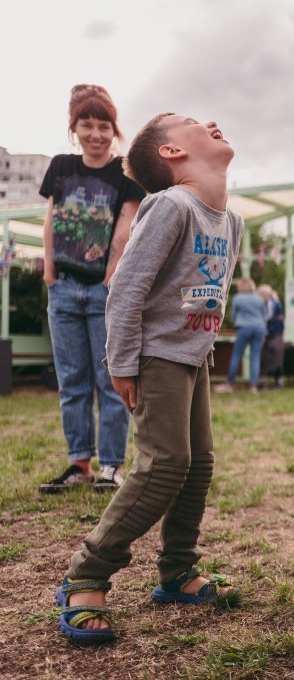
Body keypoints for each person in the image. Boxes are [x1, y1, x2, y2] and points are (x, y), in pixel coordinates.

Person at [54, 112, 244, 643]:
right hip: (157, 356)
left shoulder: (230, 221)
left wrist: (202, 352)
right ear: (171, 153)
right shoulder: (170, 205)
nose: (209, 120)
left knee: (198, 464)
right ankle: (85, 573)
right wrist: (122, 362)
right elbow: (127, 287)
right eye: (188, 121)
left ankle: (178, 571)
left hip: (192, 357)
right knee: (165, 465)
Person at [38, 84, 144, 493]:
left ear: (113, 129)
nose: (95, 133)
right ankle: (79, 463)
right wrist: (49, 272)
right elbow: (50, 218)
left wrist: (111, 275)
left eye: (103, 125)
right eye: (87, 125)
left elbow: (126, 227)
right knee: (72, 381)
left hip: (104, 291)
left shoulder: (125, 172)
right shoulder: (61, 167)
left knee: (109, 382)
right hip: (62, 288)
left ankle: (111, 467)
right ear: (74, 127)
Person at [215, 277, 267, 394]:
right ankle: (254, 386)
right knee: (255, 357)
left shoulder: (238, 298)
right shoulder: (259, 299)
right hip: (259, 329)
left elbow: (233, 315)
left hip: (244, 328)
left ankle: (229, 384)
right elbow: (265, 316)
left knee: (237, 355)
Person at [258, 283, 285, 388]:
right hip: (264, 334)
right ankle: (262, 380)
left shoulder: (276, 304)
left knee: (277, 357)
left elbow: (280, 318)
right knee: (263, 357)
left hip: (276, 334)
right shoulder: (260, 304)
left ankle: (279, 380)